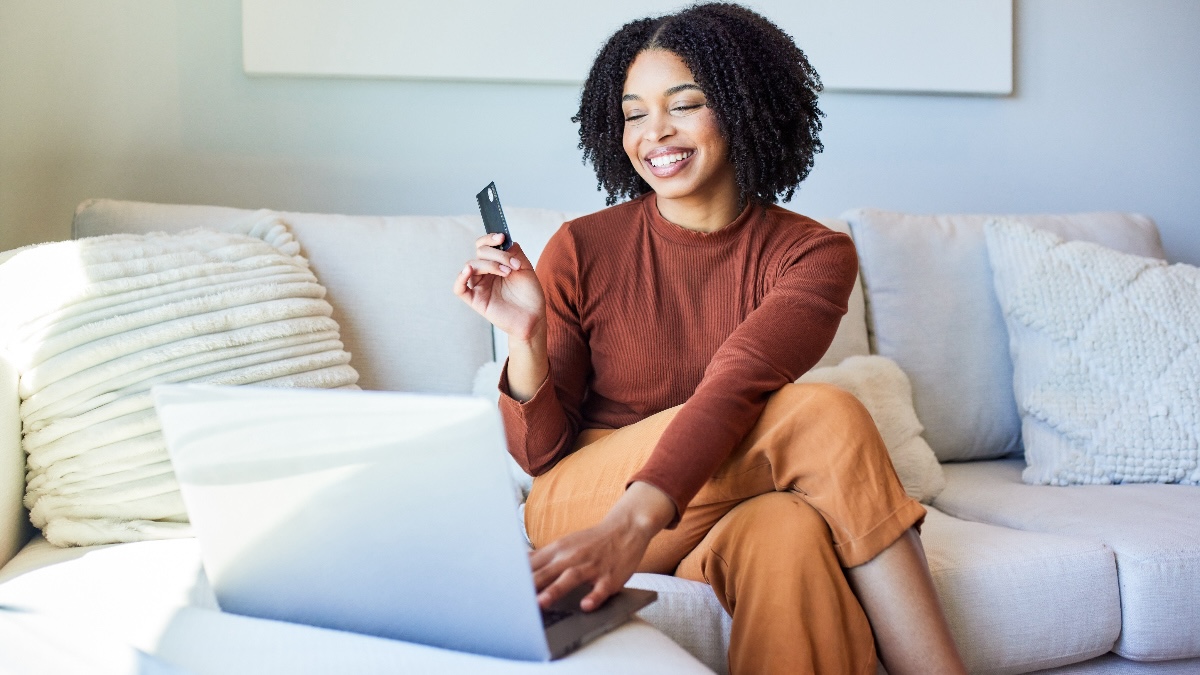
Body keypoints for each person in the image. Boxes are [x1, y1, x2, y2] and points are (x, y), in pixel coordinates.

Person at [453, 4, 966, 674]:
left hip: (689, 516)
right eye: (634, 112)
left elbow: (738, 377)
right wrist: (527, 336)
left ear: (744, 107)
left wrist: (632, 525)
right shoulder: (582, 245)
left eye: (685, 104)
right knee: (826, 413)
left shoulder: (814, 254)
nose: (654, 131)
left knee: (791, 533)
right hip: (585, 506)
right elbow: (540, 453)